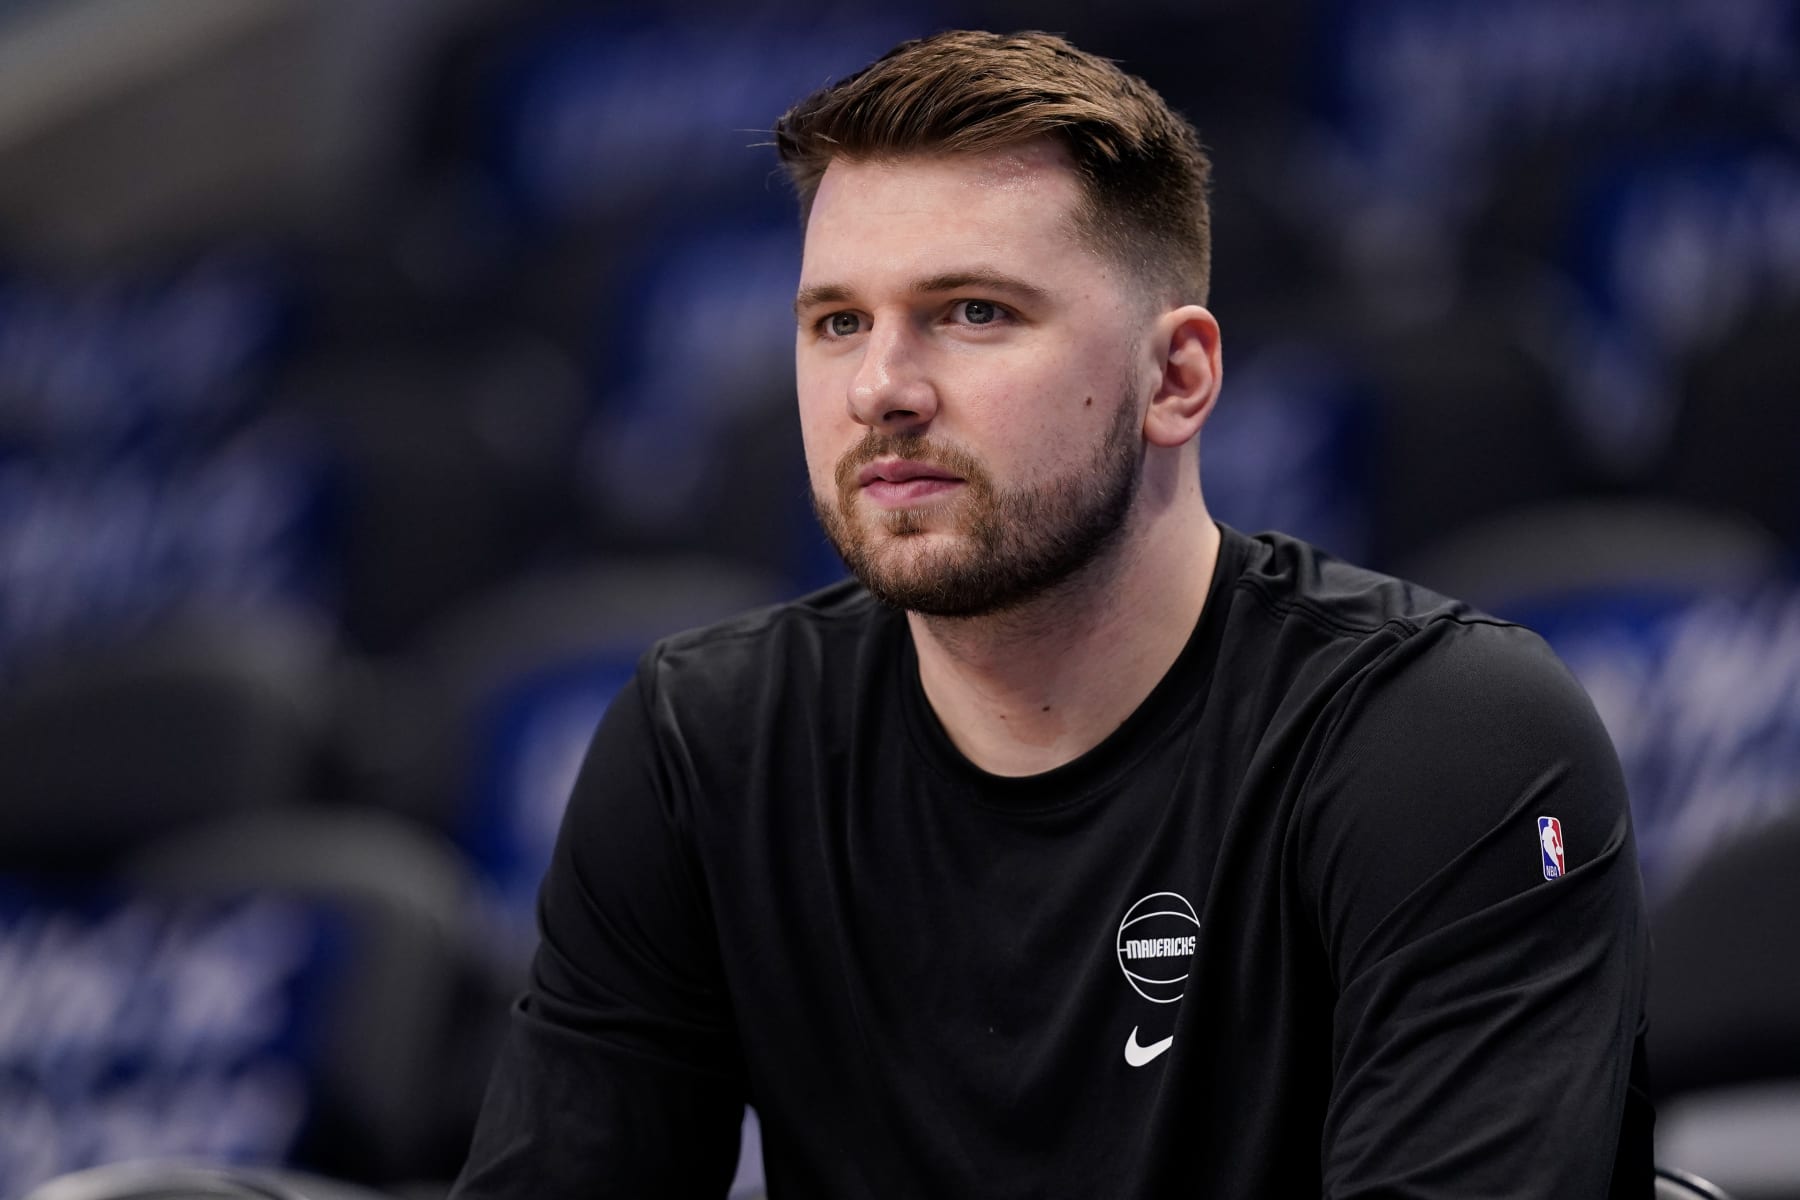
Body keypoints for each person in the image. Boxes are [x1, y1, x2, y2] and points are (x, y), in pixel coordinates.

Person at [450, 29, 1652, 1198]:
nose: (881, 389)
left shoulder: (1445, 742)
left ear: (1175, 377)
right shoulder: (702, 748)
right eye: (837, 322)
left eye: (974, 312)